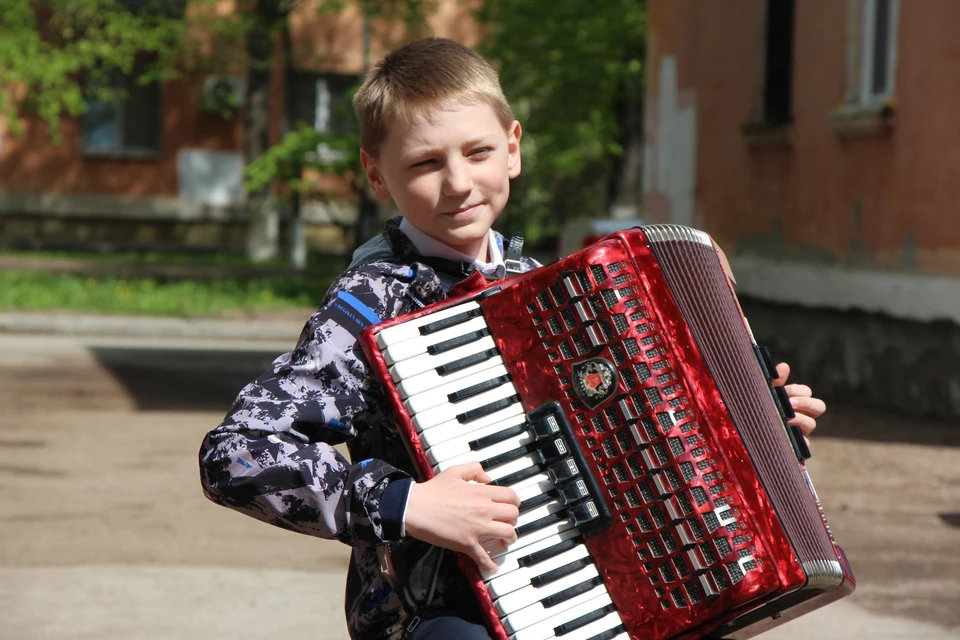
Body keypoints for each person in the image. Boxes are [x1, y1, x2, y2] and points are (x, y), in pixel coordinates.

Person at [198, 37, 827, 640]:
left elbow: (642, 433)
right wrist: (407, 503)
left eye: (477, 153)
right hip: (439, 608)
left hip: (606, 581)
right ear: (375, 174)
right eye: (424, 162)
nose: (458, 183)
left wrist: (751, 425)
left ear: (513, 149)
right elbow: (236, 454)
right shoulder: (369, 304)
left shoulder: (547, 290)